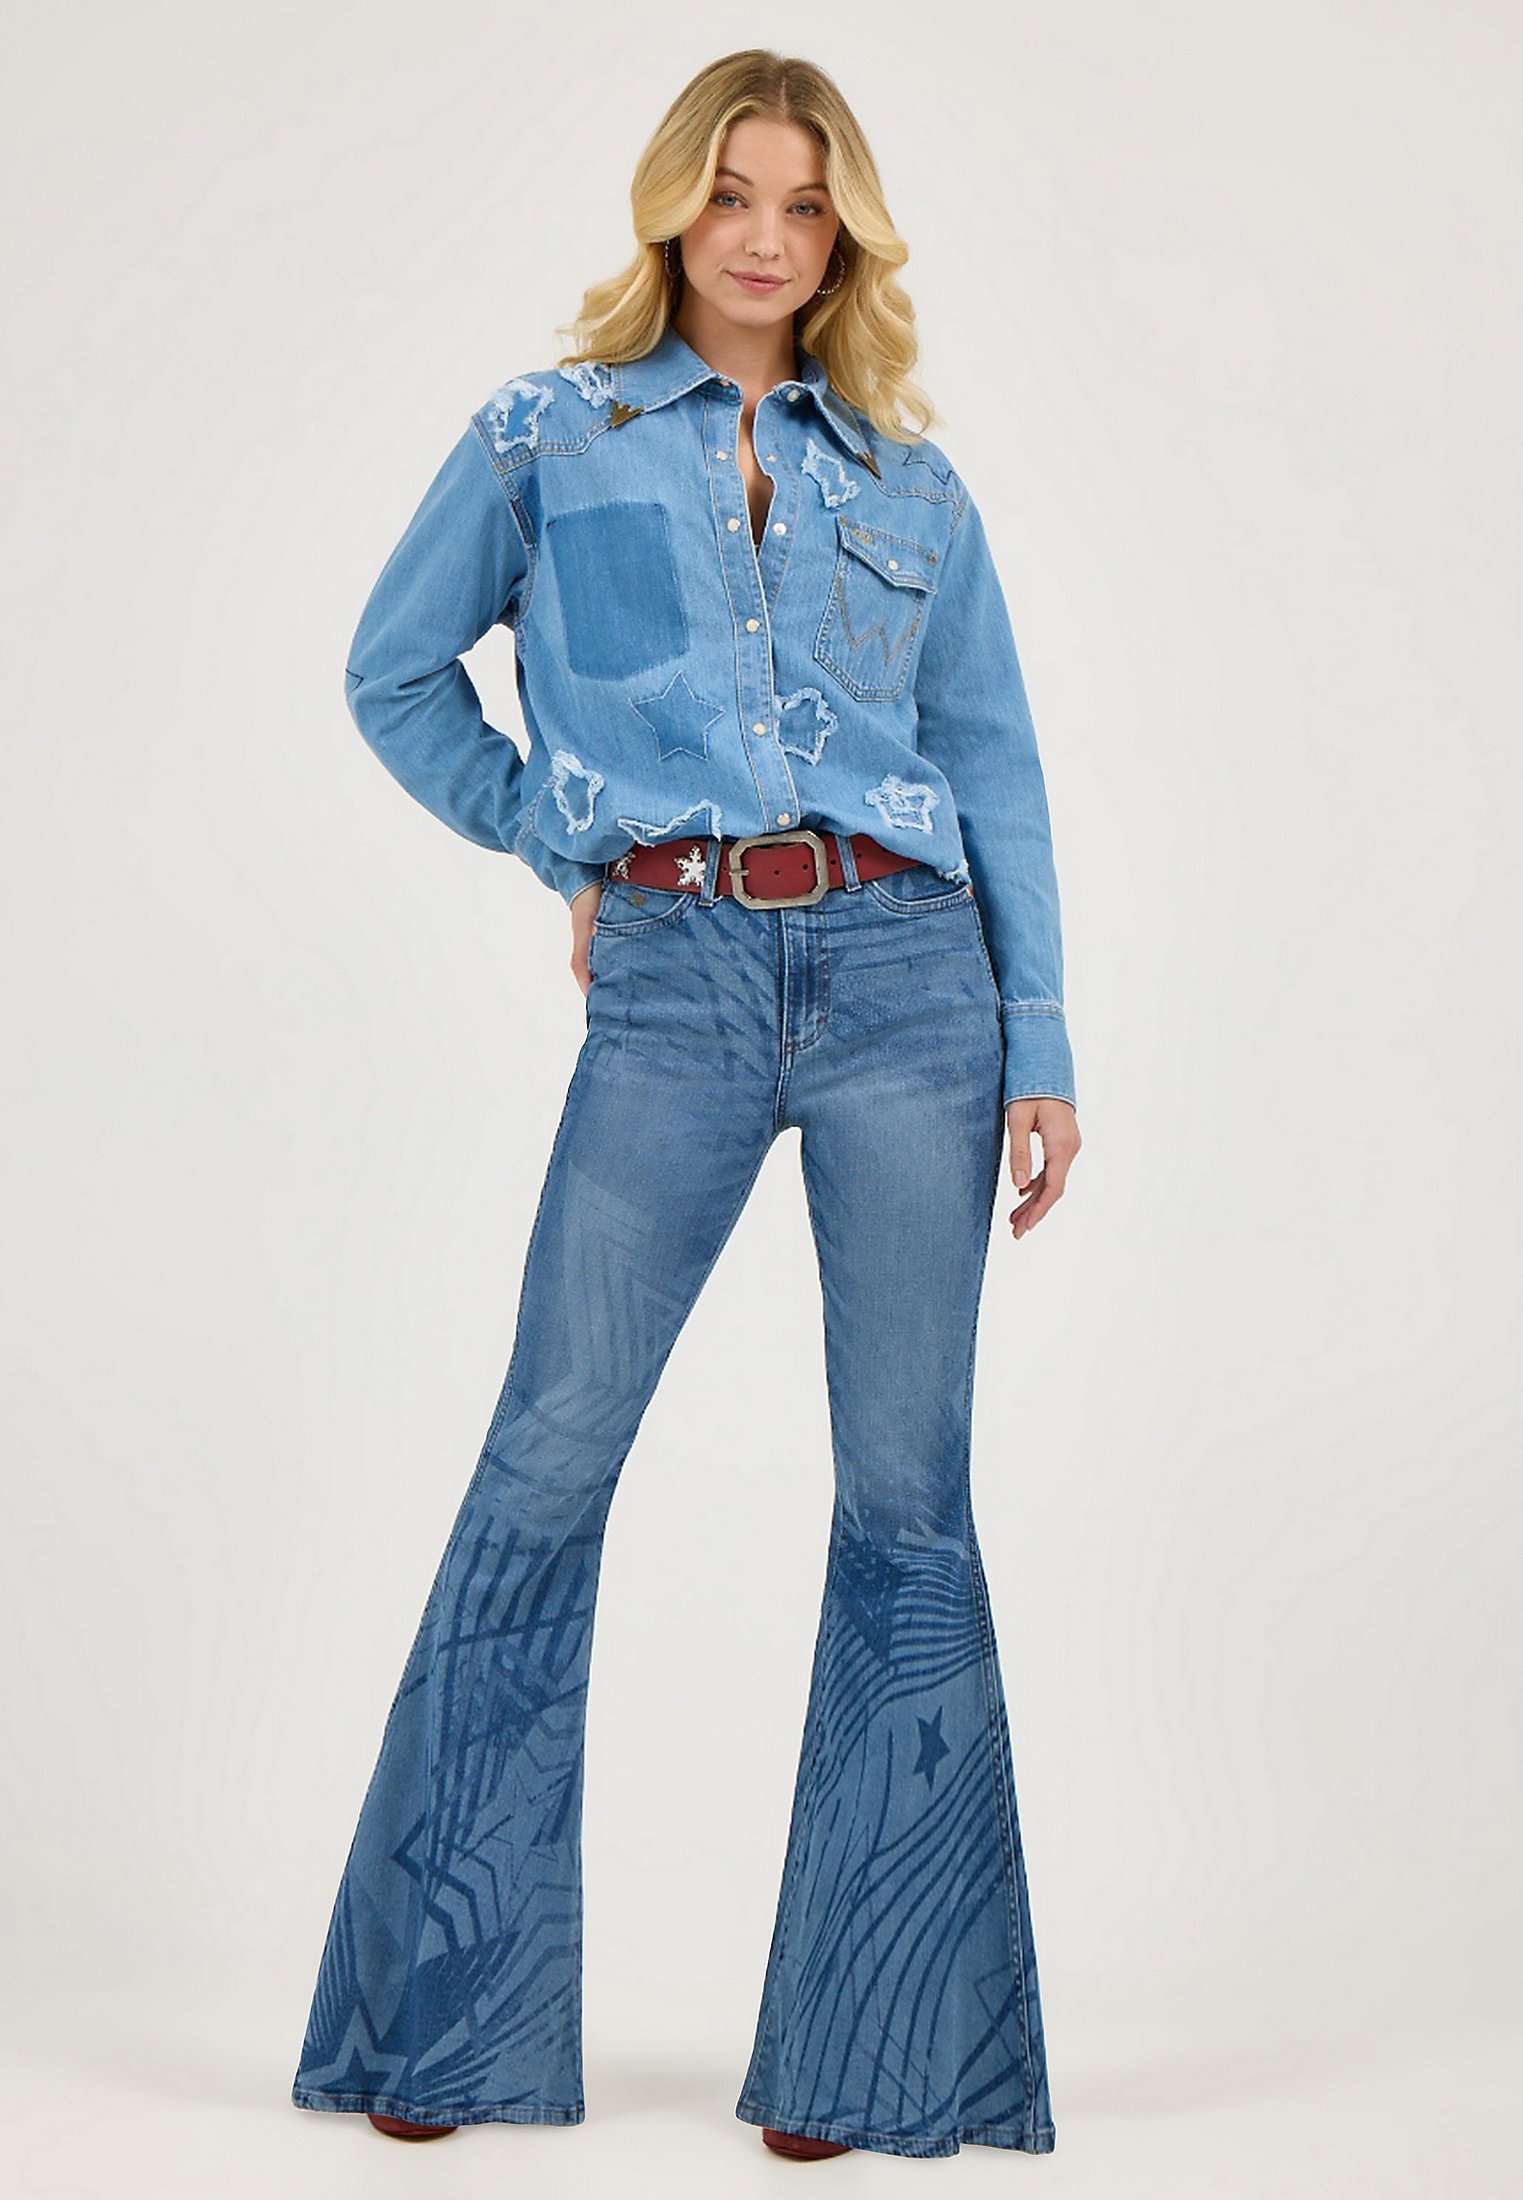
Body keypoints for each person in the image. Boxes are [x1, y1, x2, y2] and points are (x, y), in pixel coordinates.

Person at [290, 46, 1081, 2164]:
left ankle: (878, 2052)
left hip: (914, 983)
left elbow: (993, 764)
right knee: (548, 1455)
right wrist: (556, 837)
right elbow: (392, 672)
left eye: (805, 203)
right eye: (733, 192)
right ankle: (438, 2023)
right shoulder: (545, 435)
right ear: (674, 206)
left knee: (908, 1499)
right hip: (677, 976)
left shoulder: (911, 483)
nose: (763, 235)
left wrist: (1043, 1040)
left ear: (846, 234)